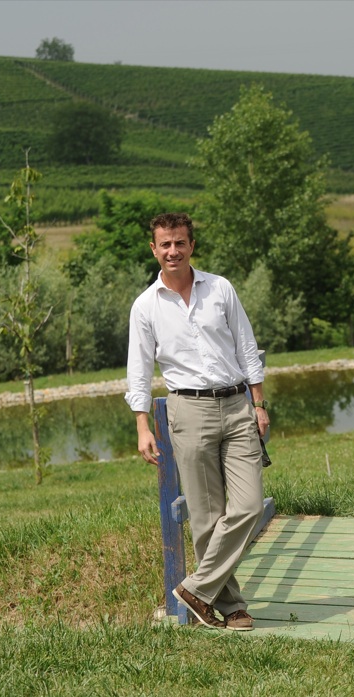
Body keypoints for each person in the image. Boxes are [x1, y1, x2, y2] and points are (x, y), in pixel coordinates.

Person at [125, 212, 269, 631]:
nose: (173, 251)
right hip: (188, 411)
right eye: (165, 244)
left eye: (180, 243)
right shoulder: (145, 306)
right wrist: (142, 425)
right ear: (154, 249)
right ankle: (232, 605)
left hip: (237, 405)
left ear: (192, 246)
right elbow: (139, 368)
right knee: (206, 517)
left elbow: (246, 345)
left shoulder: (220, 288)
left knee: (248, 505)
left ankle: (195, 589)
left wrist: (258, 403)